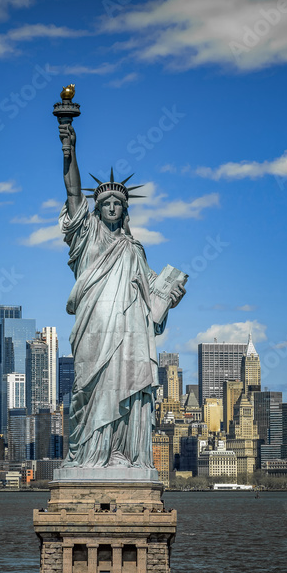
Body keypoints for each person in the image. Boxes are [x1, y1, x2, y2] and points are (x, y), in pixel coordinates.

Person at [58, 123, 184, 471]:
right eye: (106, 203)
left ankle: (120, 454)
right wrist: (69, 152)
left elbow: (152, 296)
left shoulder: (133, 249)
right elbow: (72, 196)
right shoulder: (86, 238)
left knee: (123, 386)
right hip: (93, 327)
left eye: (118, 203)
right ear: (96, 209)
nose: (112, 207)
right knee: (90, 387)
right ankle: (87, 456)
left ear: (124, 210)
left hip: (129, 334)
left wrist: (170, 295)